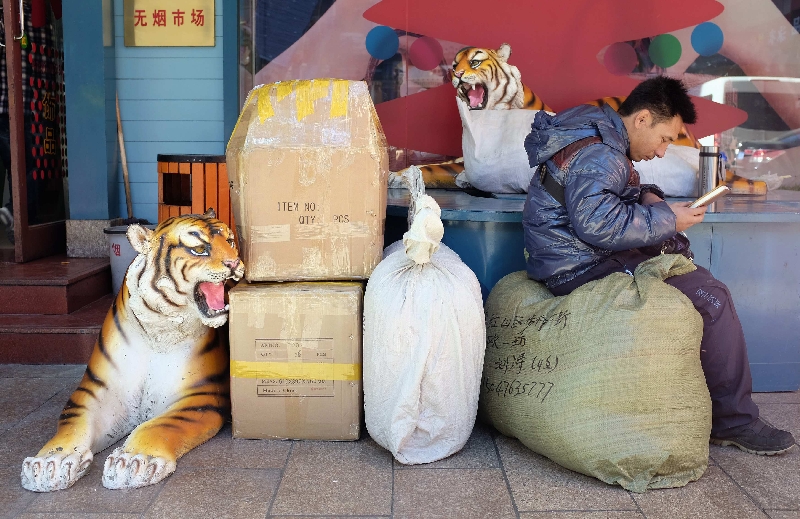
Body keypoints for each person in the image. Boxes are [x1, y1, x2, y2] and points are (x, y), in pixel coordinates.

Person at [521, 75, 796, 456]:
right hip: (576, 266)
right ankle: (735, 423)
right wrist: (669, 219)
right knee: (711, 296)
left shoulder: (596, 134)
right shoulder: (601, 152)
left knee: (683, 268)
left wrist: (649, 197)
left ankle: (724, 411)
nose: (664, 151)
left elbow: (603, 198)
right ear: (642, 119)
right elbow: (597, 222)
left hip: (573, 254)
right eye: (665, 138)